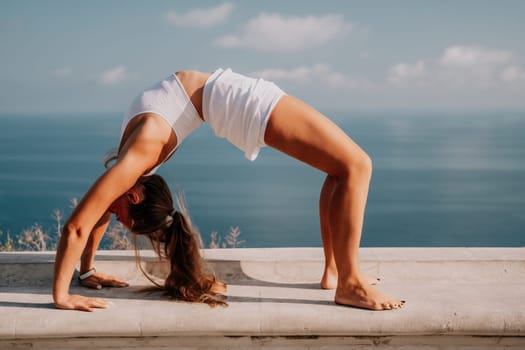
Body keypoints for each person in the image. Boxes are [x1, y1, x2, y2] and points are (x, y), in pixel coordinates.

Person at [53, 68, 405, 312]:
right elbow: (93, 214)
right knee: (355, 165)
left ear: (133, 195)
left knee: (345, 167)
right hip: (230, 99)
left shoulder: (136, 160)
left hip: (232, 98)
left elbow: (78, 224)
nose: (111, 215)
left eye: (119, 215)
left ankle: (338, 273)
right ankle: (349, 283)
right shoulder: (135, 165)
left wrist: (65, 292)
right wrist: (79, 277)